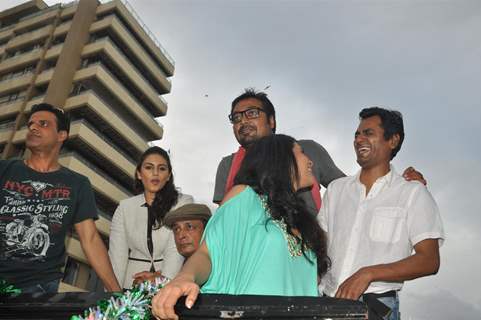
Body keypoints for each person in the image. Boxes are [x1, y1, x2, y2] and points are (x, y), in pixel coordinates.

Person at [152, 134, 330, 320]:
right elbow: (209, 253)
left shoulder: (304, 223)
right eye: (301, 153)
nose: (310, 160)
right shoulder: (246, 196)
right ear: (280, 158)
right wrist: (185, 277)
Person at [213, 89, 426, 215]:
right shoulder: (227, 166)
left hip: (310, 261)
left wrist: (400, 186)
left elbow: (356, 192)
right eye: (236, 117)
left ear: (272, 121)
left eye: (251, 113)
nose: (243, 121)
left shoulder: (307, 152)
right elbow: (223, 222)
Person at [318, 107, 444, 320]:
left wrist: (368, 273)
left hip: (376, 309)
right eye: (356, 134)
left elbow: (429, 261)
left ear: (393, 140)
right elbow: (317, 248)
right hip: (325, 304)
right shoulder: (336, 190)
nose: (359, 139)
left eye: (368, 133)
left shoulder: (412, 192)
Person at [0, 103, 121, 293]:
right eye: (31, 124)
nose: (33, 127)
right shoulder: (4, 170)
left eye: (43, 124)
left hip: (39, 286)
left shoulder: (77, 184)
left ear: (61, 135)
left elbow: (89, 239)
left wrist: (116, 293)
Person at [108, 146, 193, 289]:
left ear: (168, 176)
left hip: (170, 286)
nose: (155, 173)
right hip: (132, 287)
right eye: (149, 168)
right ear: (139, 174)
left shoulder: (183, 203)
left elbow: (175, 251)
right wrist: (114, 296)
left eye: (161, 169)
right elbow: (117, 256)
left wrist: (163, 283)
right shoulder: (124, 207)